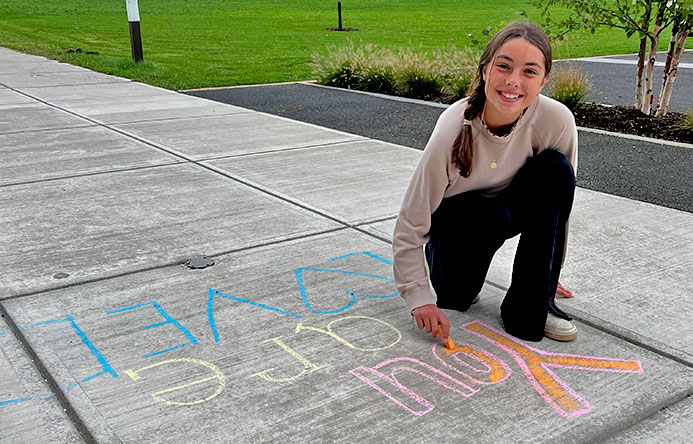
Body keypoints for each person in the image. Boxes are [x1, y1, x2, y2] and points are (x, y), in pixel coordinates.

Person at [392, 22, 578, 343]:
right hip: (460, 230)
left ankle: (530, 305)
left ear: (544, 80)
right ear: (484, 70)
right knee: (459, 292)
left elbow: (559, 206)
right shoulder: (454, 125)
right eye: (503, 66)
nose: (513, 81)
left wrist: (547, 273)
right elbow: (412, 220)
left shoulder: (556, 120)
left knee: (556, 169)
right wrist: (419, 296)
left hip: (506, 213)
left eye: (529, 72)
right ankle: (458, 284)